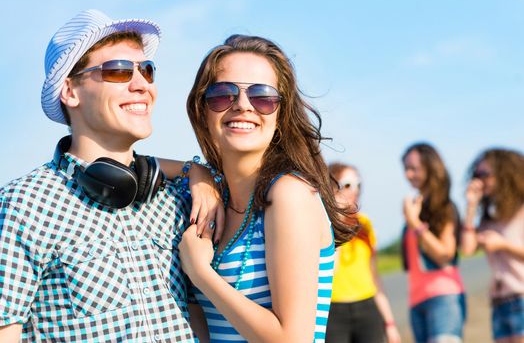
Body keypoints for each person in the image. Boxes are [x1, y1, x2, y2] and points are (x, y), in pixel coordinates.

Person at [0, 9, 221, 342]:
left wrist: (198, 172)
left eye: (147, 71)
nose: (141, 85)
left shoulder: (178, 196)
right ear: (70, 91)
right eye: (118, 71)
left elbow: (197, 318)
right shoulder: (22, 204)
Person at [177, 34, 357, 342]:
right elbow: (135, 161)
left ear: (281, 114)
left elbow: (292, 339)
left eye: (263, 96)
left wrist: (201, 275)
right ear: (202, 108)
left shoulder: (289, 194)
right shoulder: (217, 197)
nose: (243, 105)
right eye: (223, 94)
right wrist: (196, 171)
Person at [326, 163, 401, 343]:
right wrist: (337, 221)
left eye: (359, 185)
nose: (355, 190)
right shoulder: (322, 223)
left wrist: (390, 323)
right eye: (348, 184)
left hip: (368, 306)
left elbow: (374, 275)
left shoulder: (365, 223)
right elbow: (330, 270)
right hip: (333, 309)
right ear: (331, 187)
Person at [401, 142, 466, 343]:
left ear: (430, 167)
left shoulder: (444, 207)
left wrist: (414, 222)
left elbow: (445, 253)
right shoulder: (415, 206)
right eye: (405, 169)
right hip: (416, 301)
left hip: (443, 297)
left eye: (413, 168)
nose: (408, 174)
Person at [461, 148, 524, 343]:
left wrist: (503, 245)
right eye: (476, 175)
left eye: (484, 175)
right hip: (499, 303)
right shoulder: (489, 218)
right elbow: (468, 249)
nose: (479, 181)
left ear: (505, 174)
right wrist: (471, 206)